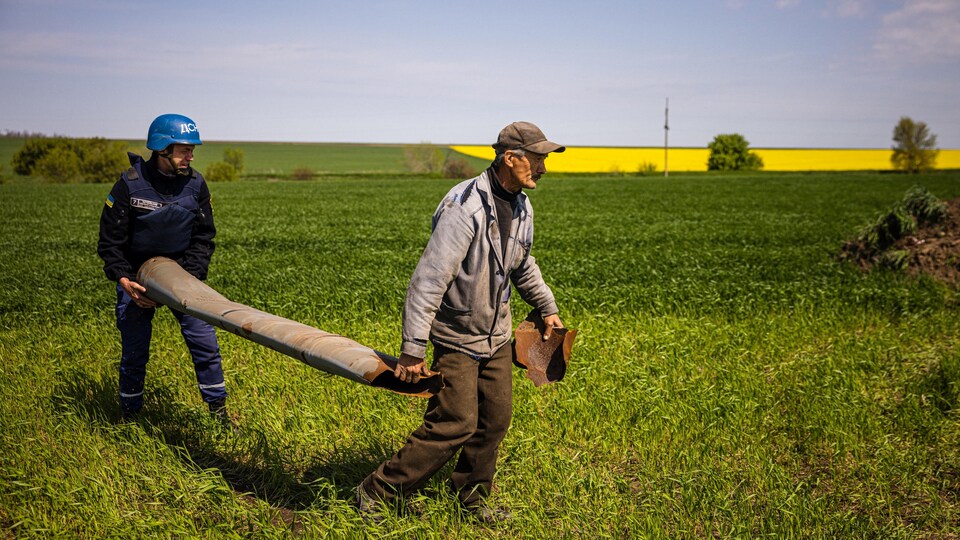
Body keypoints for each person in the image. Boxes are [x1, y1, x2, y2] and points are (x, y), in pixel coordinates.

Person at [357, 121, 566, 523]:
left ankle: (471, 499)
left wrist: (546, 306)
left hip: (497, 335)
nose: (542, 168)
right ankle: (378, 490)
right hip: (457, 335)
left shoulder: (521, 205)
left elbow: (521, 263)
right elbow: (429, 279)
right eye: (536, 160)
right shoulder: (464, 206)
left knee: (495, 419)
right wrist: (412, 349)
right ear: (511, 158)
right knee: (454, 422)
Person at [97, 113, 230, 425]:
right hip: (136, 280)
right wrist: (125, 279)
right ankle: (130, 417)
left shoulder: (196, 185)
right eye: (184, 150)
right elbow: (109, 242)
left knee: (205, 343)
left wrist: (189, 280)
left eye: (191, 150)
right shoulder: (130, 185)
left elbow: (203, 237)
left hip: (182, 278)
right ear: (162, 149)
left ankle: (220, 415)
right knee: (135, 352)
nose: (191, 156)